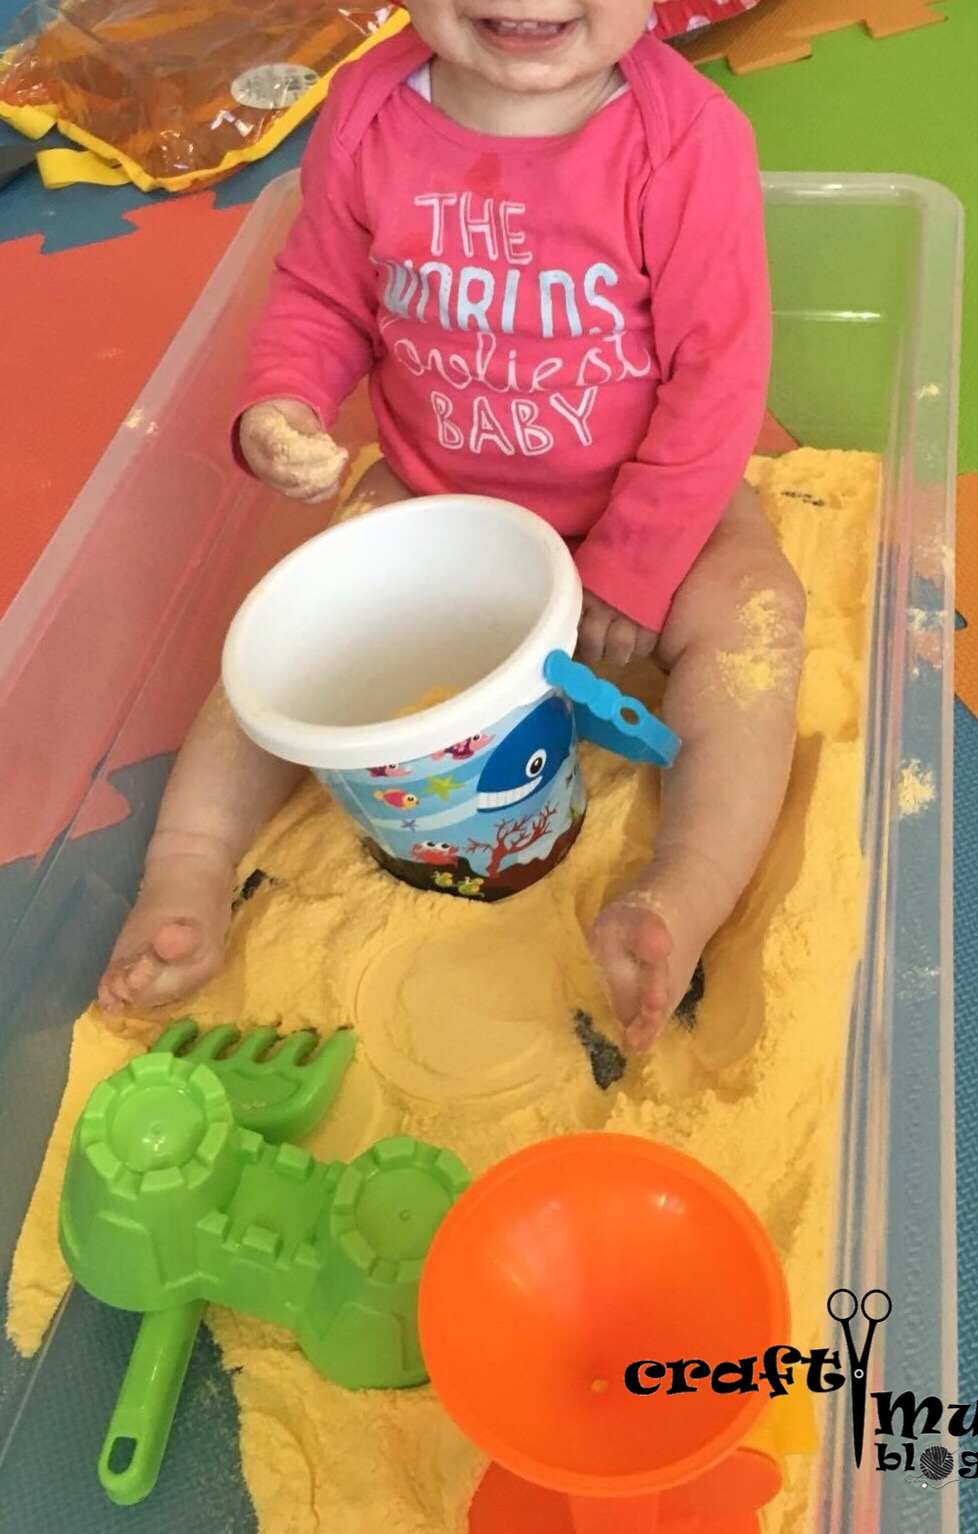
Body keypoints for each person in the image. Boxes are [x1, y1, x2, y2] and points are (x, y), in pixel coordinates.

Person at [97, 0, 805, 1054]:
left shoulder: (690, 140)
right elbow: (322, 294)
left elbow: (718, 378)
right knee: (286, 631)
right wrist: (281, 403)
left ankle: (685, 890)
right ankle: (188, 863)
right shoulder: (368, 109)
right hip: (436, 501)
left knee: (757, 612)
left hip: (639, 508)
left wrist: (638, 561)